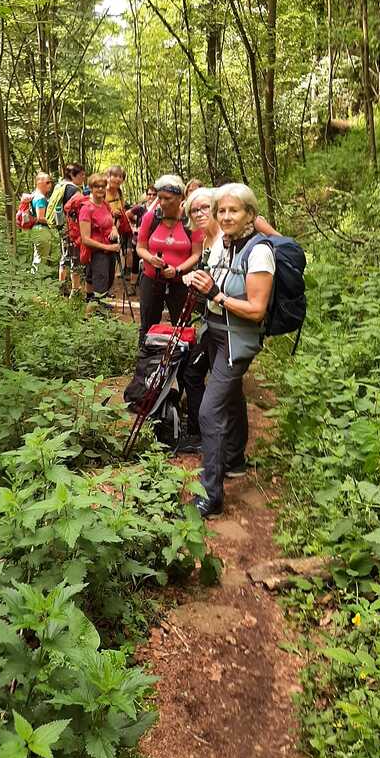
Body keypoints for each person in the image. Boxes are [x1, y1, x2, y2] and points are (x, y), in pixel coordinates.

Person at [184, 184, 276, 518]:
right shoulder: (223, 244)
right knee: (231, 395)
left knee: (209, 412)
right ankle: (235, 459)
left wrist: (216, 294)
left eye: (233, 210)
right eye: (221, 210)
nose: (225, 216)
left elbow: (257, 310)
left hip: (237, 340)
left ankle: (211, 496)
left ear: (250, 214)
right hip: (215, 332)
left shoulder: (259, 252)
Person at [136, 174, 202, 346]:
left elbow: (196, 254)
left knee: (182, 326)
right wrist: (151, 259)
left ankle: (181, 359)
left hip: (180, 282)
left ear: (180, 198)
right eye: (160, 198)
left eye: (168, 199)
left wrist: (178, 270)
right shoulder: (151, 218)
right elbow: (140, 247)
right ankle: (145, 356)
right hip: (152, 280)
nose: (162, 203)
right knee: (147, 325)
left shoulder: (190, 220)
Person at [79, 173, 120, 308]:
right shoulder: (86, 209)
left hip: (109, 252)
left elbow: (111, 223)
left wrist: (114, 229)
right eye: (97, 186)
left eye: (103, 186)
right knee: (100, 287)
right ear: (91, 188)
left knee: (107, 283)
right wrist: (108, 247)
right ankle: (99, 314)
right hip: (97, 254)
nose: (101, 189)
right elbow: (85, 239)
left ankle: (99, 311)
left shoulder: (104, 204)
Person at [56, 163, 85, 297]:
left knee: (64, 257)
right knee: (75, 258)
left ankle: (62, 288)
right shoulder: (73, 190)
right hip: (72, 229)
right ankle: (75, 291)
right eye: (81, 175)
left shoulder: (60, 186)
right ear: (73, 175)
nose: (83, 177)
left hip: (62, 227)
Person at [127, 185, 158, 289]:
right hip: (138, 240)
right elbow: (127, 214)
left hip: (153, 241)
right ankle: (132, 287)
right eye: (149, 194)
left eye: (154, 194)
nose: (151, 197)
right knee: (135, 262)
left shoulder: (159, 209)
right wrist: (133, 227)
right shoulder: (141, 208)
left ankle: (147, 287)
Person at [30, 172, 53, 272]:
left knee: (38, 258)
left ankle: (35, 278)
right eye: (47, 182)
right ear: (39, 183)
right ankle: (36, 280)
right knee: (40, 260)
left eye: (50, 182)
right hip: (41, 230)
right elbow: (40, 217)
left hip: (37, 230)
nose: (50, 185)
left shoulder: (34, 195)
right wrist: (53, 221)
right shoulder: (40, 198)